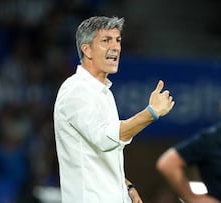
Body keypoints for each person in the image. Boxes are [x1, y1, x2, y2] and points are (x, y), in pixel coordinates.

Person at [53, 16, 175, 203]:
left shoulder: (103, 93)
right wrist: (151, 113)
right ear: (87, 50)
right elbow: (105, 139)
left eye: (118, 40)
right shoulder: (76, 91)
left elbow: (99, 155)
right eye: (106, 41)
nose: (116, 47)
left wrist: (125, 186)